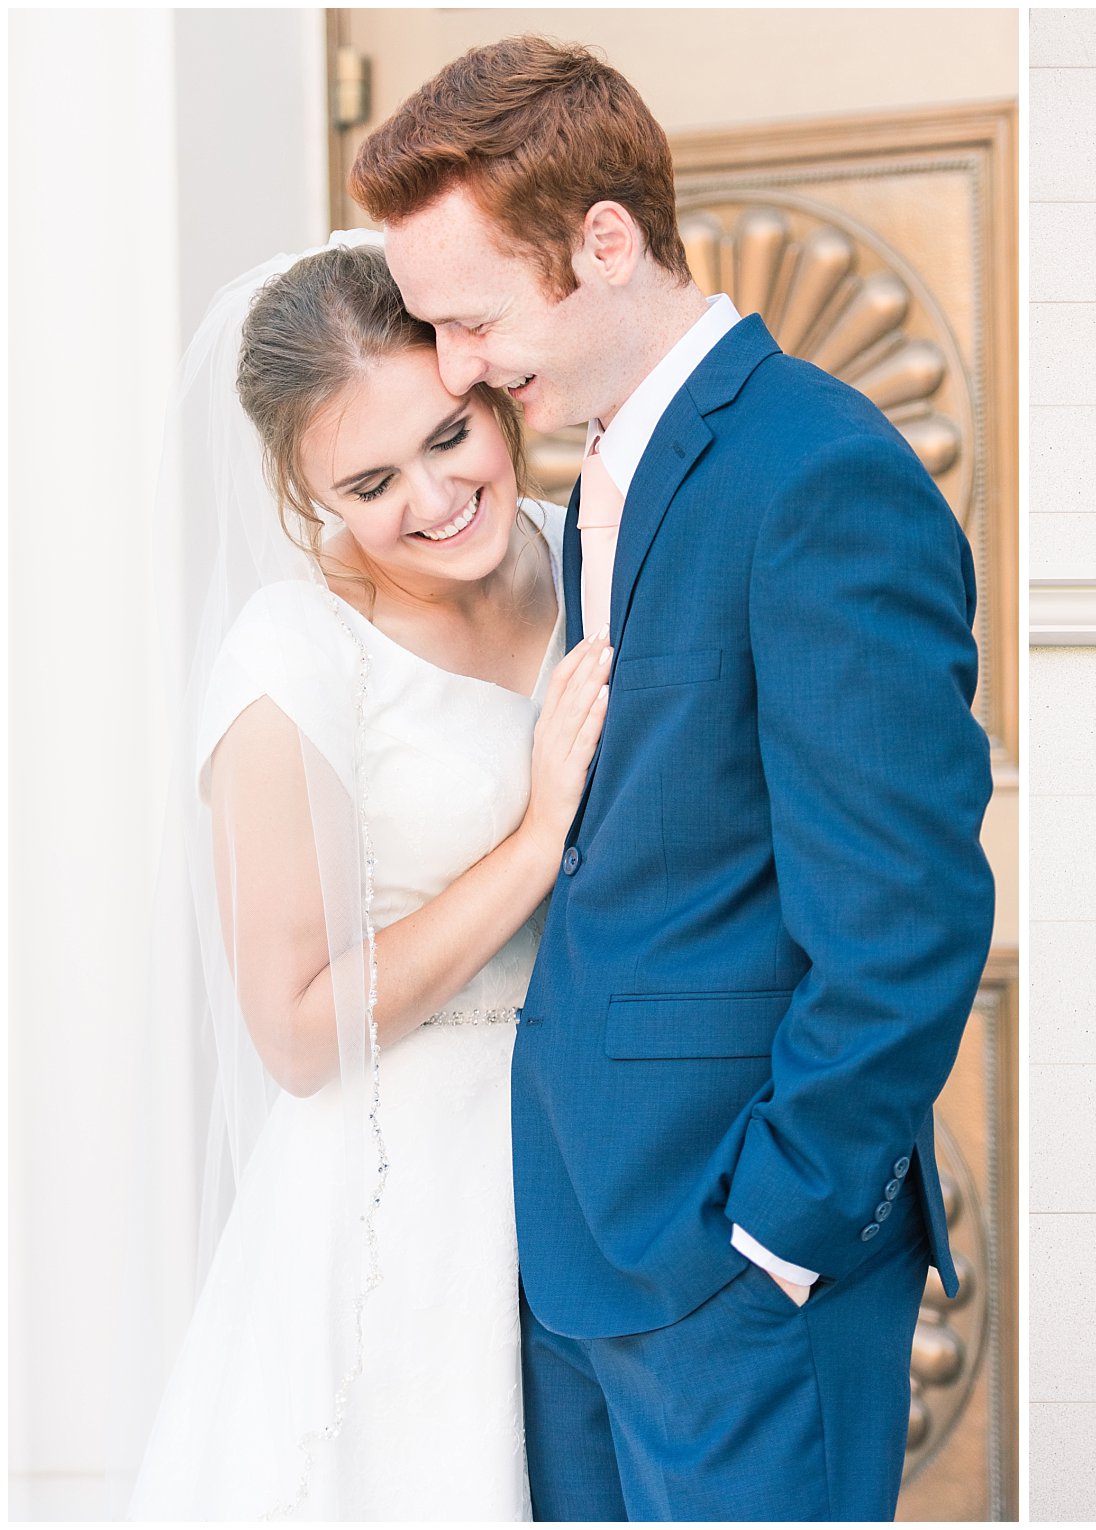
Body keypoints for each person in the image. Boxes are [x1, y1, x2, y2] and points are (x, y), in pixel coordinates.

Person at [353, 36, 996, 1522]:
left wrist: (776, 1230)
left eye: (473, 320)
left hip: (738, 1270)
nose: (456, 368)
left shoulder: (818, 471)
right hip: (584, 1250)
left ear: (606, 240)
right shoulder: (595, 487)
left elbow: (902, 913)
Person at [128, 233, 609, 1519]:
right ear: (304, 495)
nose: (436, 498)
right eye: (370, 481)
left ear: (489, 385)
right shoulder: (290, 660)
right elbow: (295, 1028)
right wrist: (531, 844)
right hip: (404, 1200)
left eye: (452, 436)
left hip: (600, 1152)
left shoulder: (594, 553)